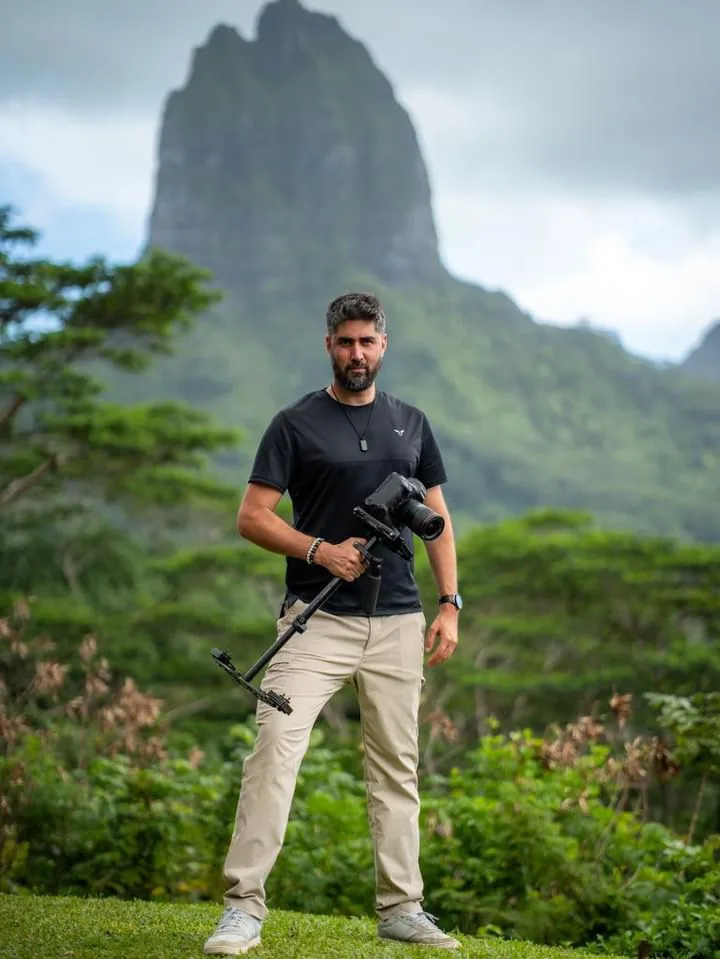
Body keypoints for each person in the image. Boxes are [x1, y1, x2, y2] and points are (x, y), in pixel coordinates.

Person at [203, 292, 463, 954]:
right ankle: (242, 909)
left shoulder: (412, 422)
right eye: (346, 342)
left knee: (396, 767)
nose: (357, 353)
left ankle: (403, 907)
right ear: (329, 345)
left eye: (367, 342)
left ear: (384, 345)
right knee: (273, 755)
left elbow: (438, 518)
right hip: (314, 621)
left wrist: (449, 603)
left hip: (399, 618)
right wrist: (320, 549)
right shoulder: (295, 424)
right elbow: (253, 516)